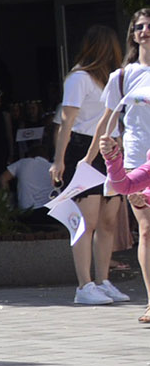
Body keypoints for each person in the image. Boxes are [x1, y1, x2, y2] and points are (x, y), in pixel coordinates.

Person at [55, 24, 129, 304]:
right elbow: (67, 121)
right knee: (86, 221)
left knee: (109, 221)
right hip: (82, 148)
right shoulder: (79, 78)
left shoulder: (112, 80)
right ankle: (84, 285)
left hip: (110, 149)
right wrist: (59, 160)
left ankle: (103, 280)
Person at [91, 8, 150, 318]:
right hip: (139, 161)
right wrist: (88, 160)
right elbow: (107, 122)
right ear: (132, 34)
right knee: (147, 228)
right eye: (139, 26)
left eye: (149, 25)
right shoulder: (123, 76)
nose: (145, 30)